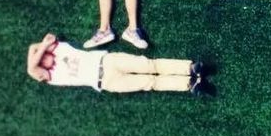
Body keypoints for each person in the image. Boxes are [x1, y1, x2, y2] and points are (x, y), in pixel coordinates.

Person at [26, 32, 203, 93]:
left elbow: (32, 47)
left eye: (43, 56)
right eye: (41, 60)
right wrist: (44, 47)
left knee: (149, 64)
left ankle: (189, 67)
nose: (43, 61)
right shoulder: (51, 77)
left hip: (108, 61)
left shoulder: (60, 49)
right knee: (150, 82)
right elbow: (32, 68)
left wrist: (44, 46)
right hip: (107, 82)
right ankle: (189, 84)